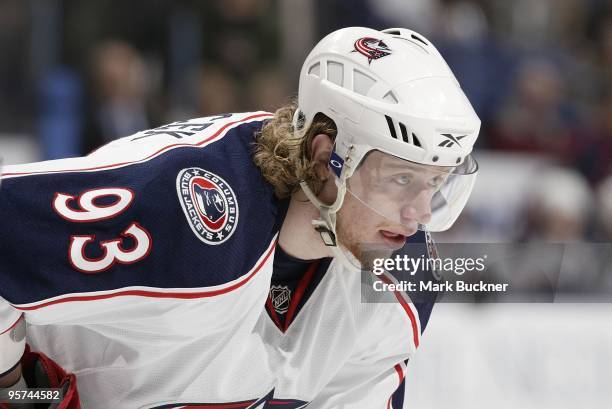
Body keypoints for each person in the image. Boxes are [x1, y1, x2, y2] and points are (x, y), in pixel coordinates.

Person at [0, 27, 480, 408]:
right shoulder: (192, 213)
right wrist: (14, 387)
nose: (419, 216)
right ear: (323, 156)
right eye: (400, 179)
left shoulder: (400, 277)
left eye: (436, 184)